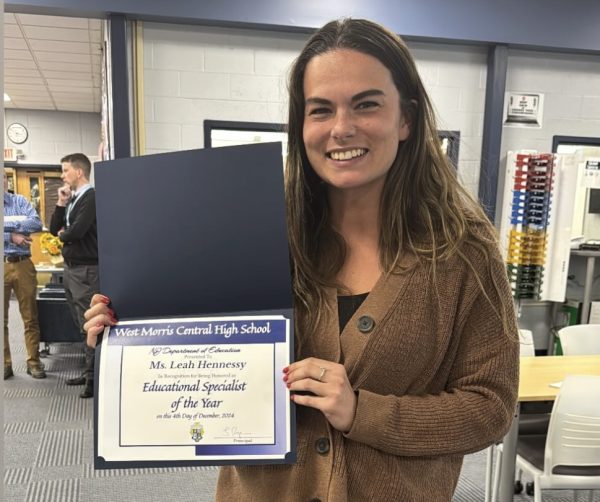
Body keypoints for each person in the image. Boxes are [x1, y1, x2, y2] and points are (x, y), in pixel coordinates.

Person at [84, 18, 519, 501]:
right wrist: (126, 336)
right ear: (301, 124)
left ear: (406, 118)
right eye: (320, 110)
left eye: (366, 104)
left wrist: (363, 412)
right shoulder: (250, 229)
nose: (341, 128)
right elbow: (196, 355)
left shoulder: (463, 251)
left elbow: (491, 407)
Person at [50, 153, 99, 398]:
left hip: (86, 270)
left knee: (90, 323)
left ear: (79, 172)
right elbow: (52, 228)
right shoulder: (72, 198)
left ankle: (93, 379)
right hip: (71, 269)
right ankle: (88, 370)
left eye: (65, 170)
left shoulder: (91, 197)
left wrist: (63, 234)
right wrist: (61, 203)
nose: (62, 175)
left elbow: (76, 232)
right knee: (80, 323)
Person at [3, 171, 46, 379]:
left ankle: (34, 362)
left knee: (30, 316)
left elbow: (36, 223)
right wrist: (11, 235)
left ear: (6, 180)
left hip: (22, 265)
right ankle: (5, 364)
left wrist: (14, 226)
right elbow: (18, 231)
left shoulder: (19, 200)